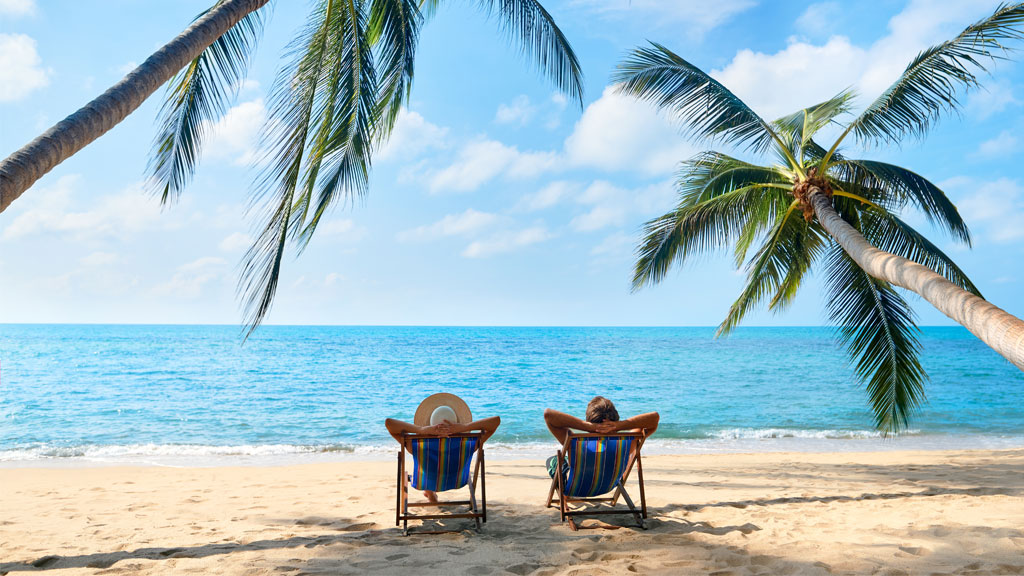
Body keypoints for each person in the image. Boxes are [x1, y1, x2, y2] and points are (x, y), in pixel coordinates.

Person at [385, 393, 500, 503]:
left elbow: (389, 423)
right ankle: (431, 494)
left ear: (430, 423)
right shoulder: (468, 444)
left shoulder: (417, 445)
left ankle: (430, 494)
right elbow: (496, 421)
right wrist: (464, 427)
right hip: (457, 481)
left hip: (425, 482)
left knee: (428, 468)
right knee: (432, 468)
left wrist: (421, 430)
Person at [543, 396, 658, 478]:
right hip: (609, 485)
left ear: (589, 420)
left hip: (579, 487)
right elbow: (654, 419)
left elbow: (548, 415)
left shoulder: (576, 444)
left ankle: (564, 497)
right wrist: (619, 425)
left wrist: (587, 427)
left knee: (553, 461)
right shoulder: (627, 443)